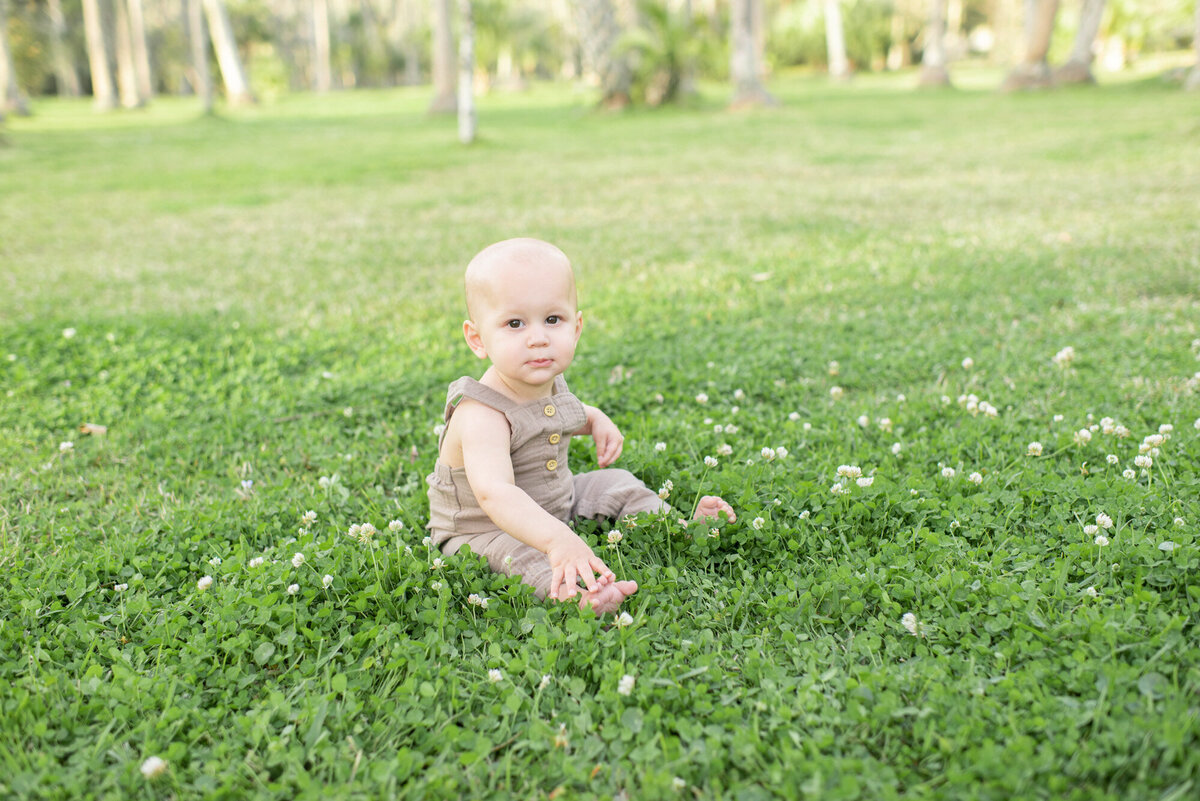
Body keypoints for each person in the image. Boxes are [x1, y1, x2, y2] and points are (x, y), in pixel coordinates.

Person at [426, 238, 735, 614]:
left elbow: (559, 411)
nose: (538, 337)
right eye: (515, 323)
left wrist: (595, 419)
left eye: (552, 319)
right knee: (521, 557)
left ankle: (682, 528)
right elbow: (495, 493)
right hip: (484, 530)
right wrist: (557, 541)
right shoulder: (481, 414)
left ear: (576, 327)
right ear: (477, 339)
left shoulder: (544, 381)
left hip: (557, 501)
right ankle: (581, 597)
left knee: (617, 482)